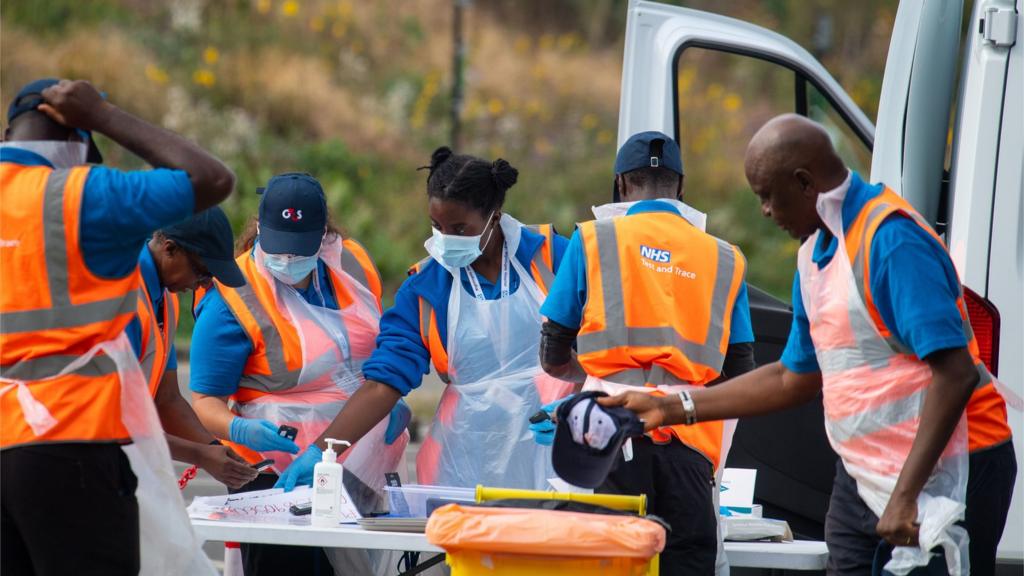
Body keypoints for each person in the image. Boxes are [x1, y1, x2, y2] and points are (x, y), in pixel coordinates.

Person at [600, 115, 1016, 576]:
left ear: (803, 184)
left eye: (766, 197)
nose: (764, 212)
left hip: (947, 469)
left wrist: (904, 495)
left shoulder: (891, 241)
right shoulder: (814, 254)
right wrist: (671, 408)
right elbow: (791, 376)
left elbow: (954, 373)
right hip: (864, 471)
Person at [1, 78, 234, 575]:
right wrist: (104, 116)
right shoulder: (82, 194)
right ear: (79, 139)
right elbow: (211, 179)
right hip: (72, 443)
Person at [273, 147, 574, 492]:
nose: (445, 239)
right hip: (465, 461)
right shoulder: (426, 288)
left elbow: (603, 346)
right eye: (437, 226)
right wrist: (322, 450)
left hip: (557, 448)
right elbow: (382, 383)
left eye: (460, 228)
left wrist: (578, 401)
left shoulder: (554, 260)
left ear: (493, 217)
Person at [538, 131, 756, 575]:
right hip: (691, 437)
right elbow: (740, 370)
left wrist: (591, 380)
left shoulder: (594, 239)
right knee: (686, 562)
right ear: (681, 187)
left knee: (608, 561)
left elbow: (553, 351)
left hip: (607, 435)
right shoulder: (725, 257)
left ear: (621, 184)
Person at [189, 172, 409, 575]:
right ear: (259, 227)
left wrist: (391, 401)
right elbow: (204, 402)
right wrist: (240, 430)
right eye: (279, 248)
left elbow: (378, 348)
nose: (288, 261)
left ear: (323, 234)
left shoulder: (352, 265)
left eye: (299, 250)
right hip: (275, 473)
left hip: (359, 456)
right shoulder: (231, 296)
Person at [126, 207, 258, 490]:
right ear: (170, 249)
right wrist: (200, 454)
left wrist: (215, 448)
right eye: (202, 272)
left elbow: (167, 399)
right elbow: (111, 420)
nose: (205, 284)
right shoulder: (122, 296)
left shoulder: (164, 298)